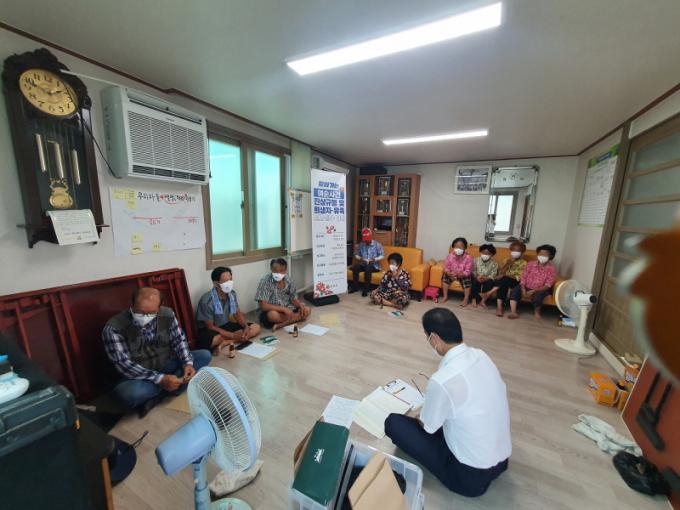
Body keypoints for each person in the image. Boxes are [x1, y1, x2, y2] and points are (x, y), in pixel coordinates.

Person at [384, 308, 511, 497]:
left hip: (470, 478)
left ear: (434, 338)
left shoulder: (442, 380)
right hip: (501, 461)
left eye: (427, 337)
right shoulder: (481, 355)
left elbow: (428, 427)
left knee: (393, 423)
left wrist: (422, 415)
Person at [103, 287, 211, 417]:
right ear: (131, 305)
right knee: (129, 394)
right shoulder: (114, 328)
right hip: (138, 376)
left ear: (160, 308)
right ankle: (171, 388)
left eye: (151, 313)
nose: (145, 317)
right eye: (140, 312)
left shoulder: (167, 314)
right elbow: (125, 366)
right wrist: (160, 379)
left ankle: (160, 393)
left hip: (165, 364)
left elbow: (178, 340)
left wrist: (187, 363)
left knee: (204, 355)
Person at [195, 267, 261, 357]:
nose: (229, 283)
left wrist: (245, 327)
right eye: (225, 281)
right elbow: (210, 326)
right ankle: (229, 339)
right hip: (211, 330)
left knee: (256, 327)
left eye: (230, 280)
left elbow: (237, 314)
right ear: (216, 284)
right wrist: (232, 335)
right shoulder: (206, 301)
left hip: (225, 325)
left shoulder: (232, 294)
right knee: (214, 339)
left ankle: (226, 342)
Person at [255, 258, 311, 331]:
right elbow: (263, 306)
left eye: (281, 271)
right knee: (272, 315)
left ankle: (282, 324)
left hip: (288, 308)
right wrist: (283, 309)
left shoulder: (288, 280)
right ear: (271, 269)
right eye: (275, 271)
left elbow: (293, 298)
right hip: (273, 310)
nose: (278, 273)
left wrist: (300, 306)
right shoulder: (265, 282)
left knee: (307, 310)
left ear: (285, 270)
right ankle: (295, 318)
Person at [508, 244, 557, 320]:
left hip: (541, 289)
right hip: (526, 286)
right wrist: (523, 288)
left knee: (538, 296)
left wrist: (534, 291)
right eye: (540, 254)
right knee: (515, 290)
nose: (542, 256)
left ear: (551, 256)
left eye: (545, 254)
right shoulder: (530, 264)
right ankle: (513, 312)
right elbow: (523, 276)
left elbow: (548, 285)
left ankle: (537, 312)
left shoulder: (551, 269)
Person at [483, 241, 528, 317]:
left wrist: (505, 275)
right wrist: (508, 263)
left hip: (515, 281)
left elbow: (520, 277)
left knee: (503, 279)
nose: (515, 252)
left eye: (518, 250)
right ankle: (499, 308)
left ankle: (488, 293)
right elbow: (501, 272)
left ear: (522, 252)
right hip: (504, 280)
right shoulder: (506, 260)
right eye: (514, 250)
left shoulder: (524, 263)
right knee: (503, 284)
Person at [349, 228, 385, 297]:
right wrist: (361, 258)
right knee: (356, 267)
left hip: (374, 266)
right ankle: (355, 287)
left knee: (368, 268)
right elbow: (356, 254)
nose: (366, 241)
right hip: (363, 263)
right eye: (365, 240)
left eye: (368, 239)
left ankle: (365, 289)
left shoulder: (377, 244)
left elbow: (382, 255)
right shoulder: (361, 244)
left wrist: (374, 259)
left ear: (371, 236)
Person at [441, 237, 473, 306]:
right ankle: (445, 296)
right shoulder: (450, 256)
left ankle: (466, 299)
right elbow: (446, 267)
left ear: (465, 248)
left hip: (462, 275)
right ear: (453, 247)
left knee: (467, 279)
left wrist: (461, 274)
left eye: (461, 247)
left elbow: (468, 271)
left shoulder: (468, 258)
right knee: (445, 276)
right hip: (452, 274)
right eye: (456, 247)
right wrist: (448, 272)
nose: (458, 249)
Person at [471, 243, 498, 309]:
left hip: (487, 279)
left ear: (491, 254)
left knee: (490, 282)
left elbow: (493, 274)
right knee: (474, 281)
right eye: (483, 252)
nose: (485, 255)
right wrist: (477, 276)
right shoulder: (475, 260)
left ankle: (483, 301)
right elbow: (473, 270)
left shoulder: (494, 264)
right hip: (477, 277)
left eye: (487, 253)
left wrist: (486, 278)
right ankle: (474, 300)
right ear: (480, 252)